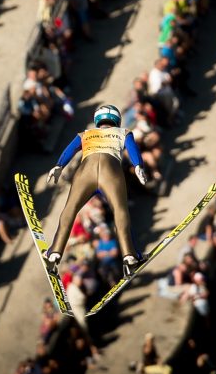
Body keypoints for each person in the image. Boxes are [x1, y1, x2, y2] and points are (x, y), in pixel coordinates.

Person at [46, 104, 148, 277]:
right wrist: (138, 166)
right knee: (120, 211)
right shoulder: (124, 132)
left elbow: (70, 150)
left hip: (86, 170)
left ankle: (55, 252)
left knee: (70, 208)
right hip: (111, 171)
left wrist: (58, 166)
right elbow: (133, 149)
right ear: (117, 120)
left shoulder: (85, 134)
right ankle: (129, 256)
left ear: (97, 120)